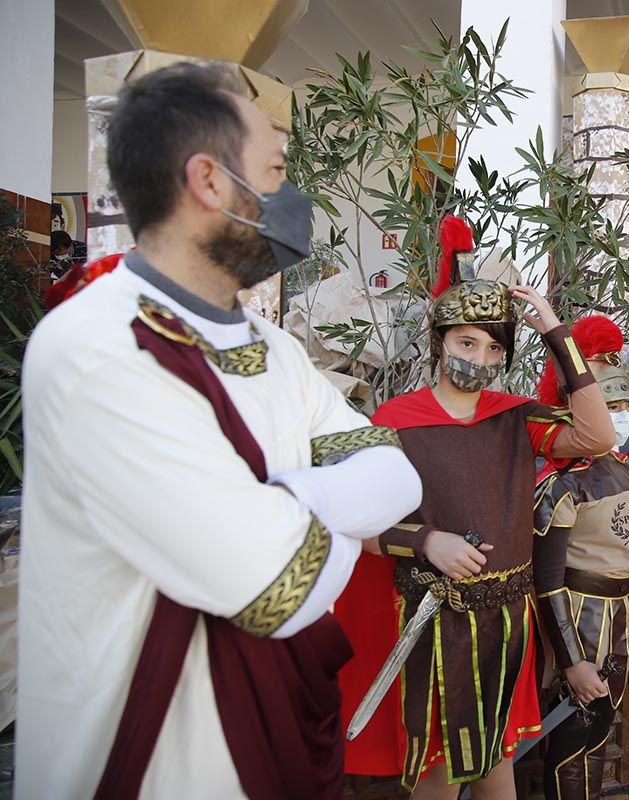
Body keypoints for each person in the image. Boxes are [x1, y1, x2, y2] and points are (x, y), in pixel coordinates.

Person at [17, 62, 424, 799]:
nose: (291, 200)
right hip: (157, 762)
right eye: (274, 171)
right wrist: (326, 508)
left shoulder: (278, 351)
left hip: (288, 739)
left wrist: (275, 497)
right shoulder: (97, 351)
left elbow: (398, 477)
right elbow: (277, 588)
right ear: (208, 181)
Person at [335, 215, 616, 799]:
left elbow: (597, 436)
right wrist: (425, 542)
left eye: (493, 347)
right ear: (440, 342)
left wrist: (557, 334)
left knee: (498, 766)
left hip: (506, 621)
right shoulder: (394, 421)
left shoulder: (516, 416)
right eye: (466, 341)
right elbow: (349, 521)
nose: (480, 355)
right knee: (437, 769)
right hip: (431, 620)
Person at [531, 315, 629, 800]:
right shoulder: (563, 483)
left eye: (624, 406)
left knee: (601, 727)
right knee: (573, 736)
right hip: (578, 618)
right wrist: (573, 660)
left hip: (620, 618)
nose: (618, 415)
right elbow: (548, 578)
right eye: (608, 406)